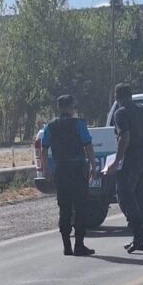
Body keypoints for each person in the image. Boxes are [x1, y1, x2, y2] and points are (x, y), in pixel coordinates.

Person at [41, 94, 97, 257]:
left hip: (61, 170)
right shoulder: (79, 124)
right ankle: (79, 245)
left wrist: (45, 169)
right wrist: (93, 165)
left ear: (59, 108)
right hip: (78, 170)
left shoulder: (50, 126)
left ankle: (67, 245)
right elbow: (88, 146)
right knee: (80, 207)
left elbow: (44, 149)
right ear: (71, 107)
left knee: (64, 207)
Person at [109, 83, 143, 253]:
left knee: (125, 195)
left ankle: (139, 232)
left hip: (132, 156)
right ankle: (140, 239)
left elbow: (124, 138)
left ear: (116, 97)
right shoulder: (142, 111)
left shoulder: (120, 113)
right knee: (140, 197)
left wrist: (116, 161)